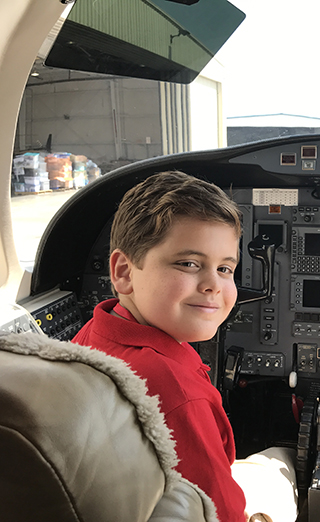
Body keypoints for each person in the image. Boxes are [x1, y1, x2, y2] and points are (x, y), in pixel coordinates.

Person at [73, 171, 295, 522]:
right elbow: (220, 514)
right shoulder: (174, 391)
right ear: (124, 272)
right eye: (189, 263)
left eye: (225, 269)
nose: (213, 285)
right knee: (283, 462)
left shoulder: (95, 331)